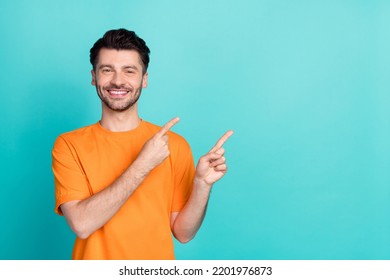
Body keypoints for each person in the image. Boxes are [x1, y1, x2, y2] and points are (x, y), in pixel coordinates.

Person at [52, 28, 233, 260]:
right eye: (107, 70)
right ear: (93, 76)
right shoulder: (69, 145)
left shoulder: (173, 145)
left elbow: (183, 233)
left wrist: (201, 186)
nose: (118, 81)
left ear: (144, 79)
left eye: (129, 71)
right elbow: (82, 224)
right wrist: (143, 164)